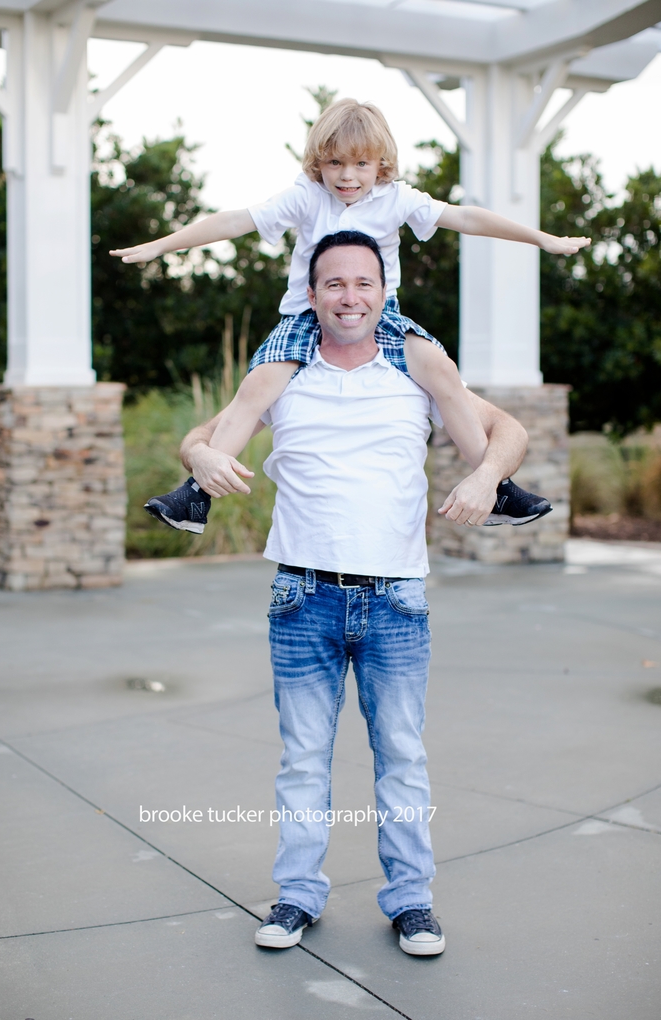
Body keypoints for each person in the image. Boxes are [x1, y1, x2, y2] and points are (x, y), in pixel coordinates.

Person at [178, 231, 529, 954]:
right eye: (334, 284)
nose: (350, 297)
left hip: (397, 601)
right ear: (311, 296)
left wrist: (486, 476)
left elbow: (508, 430)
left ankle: (411, 901)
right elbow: (200, 439)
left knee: (401, 755)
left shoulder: (417, 371)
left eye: (363, 284)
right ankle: (297, 898)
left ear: (383, 294)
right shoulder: (279, 372)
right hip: (301, 598)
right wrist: (203, 457)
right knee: (303, 758)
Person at [112, 99, 586, 531]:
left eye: (361, 163)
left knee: (441, 368)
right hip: (306, 314)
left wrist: (542, 239)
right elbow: (234, 220)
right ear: (318, 163)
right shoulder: (306, 196)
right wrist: (161, 245)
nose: (347, 176)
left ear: (382, 165)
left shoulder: (397, 197)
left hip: (382, 316)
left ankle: (497, 488)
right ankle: (197, 496)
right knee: (258, 383)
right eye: (335, 162)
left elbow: (466, 217)